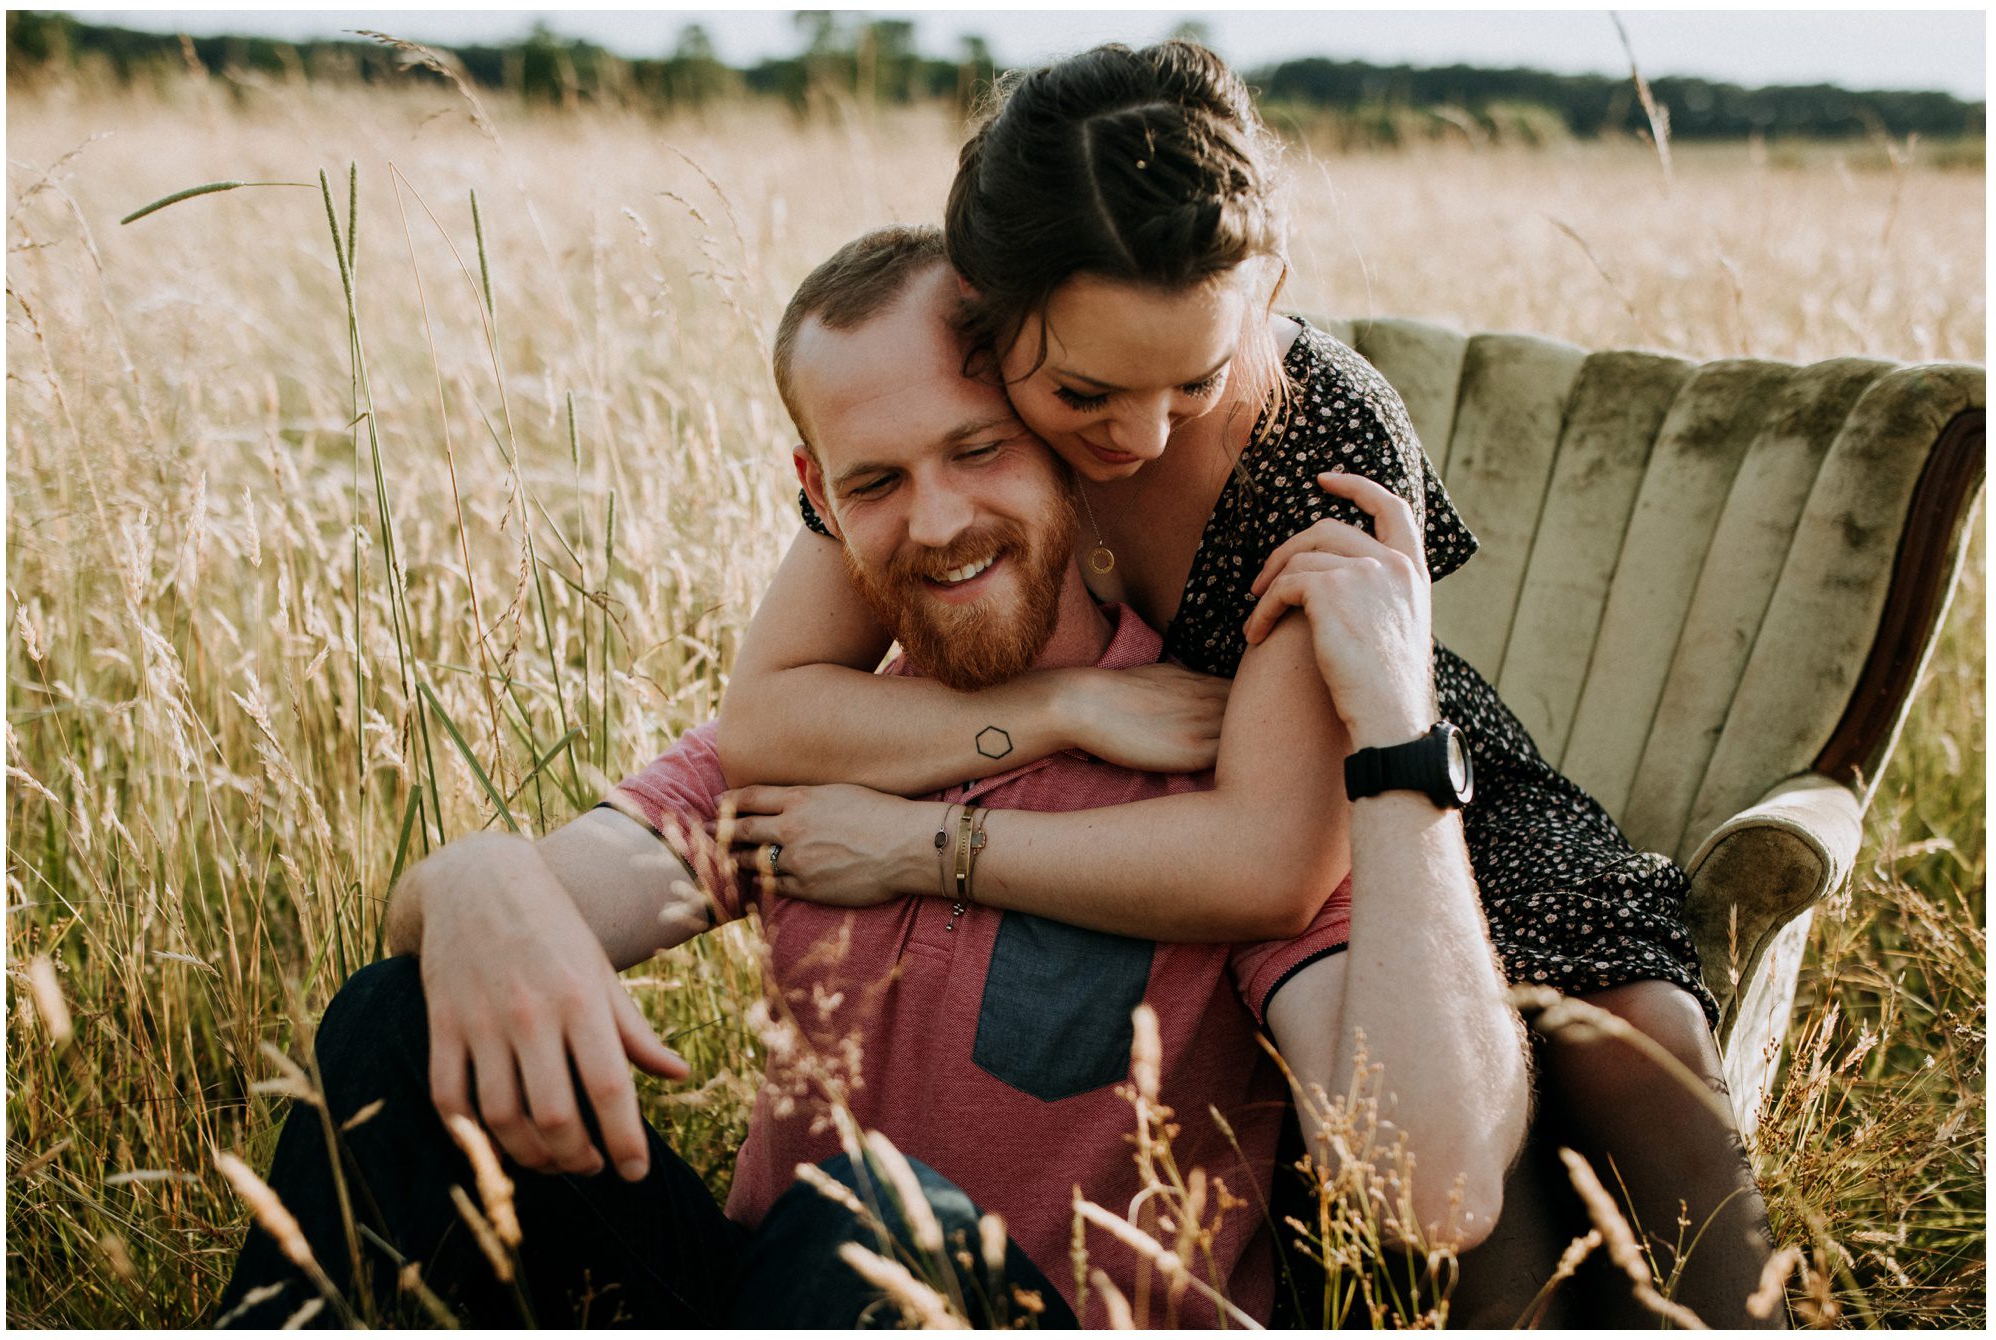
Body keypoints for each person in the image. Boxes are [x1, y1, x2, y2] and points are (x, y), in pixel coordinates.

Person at [215, 227, 1527, 1329]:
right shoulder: (820, 737)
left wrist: (1398, 731)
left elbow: (1437, 1190)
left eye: (975, 450)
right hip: (768, 1298)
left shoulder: (1221, 762)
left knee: (873, 1220)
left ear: (1065, 439)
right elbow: (503, 915)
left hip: (1012, 1313)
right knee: (397, 1024)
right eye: (878, 482)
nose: (939, 522)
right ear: (818, 499)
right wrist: (478, 880)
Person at [714, 41, 1775, 1328]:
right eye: (1087, 392)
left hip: (1391, 764)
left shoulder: (1310, 431)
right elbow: (765, 713)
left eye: (1195, 379)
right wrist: (1058, 707)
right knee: (1440, 1203)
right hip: (1161, 777)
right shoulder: (947, 403)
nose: (1141, 435)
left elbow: (1271, 858)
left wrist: (918, 844)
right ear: (988, 321)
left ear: (1263, 293)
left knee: (1624, 1025)